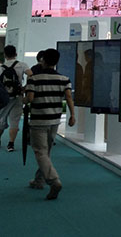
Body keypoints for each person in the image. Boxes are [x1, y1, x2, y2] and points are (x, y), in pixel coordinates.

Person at [25, 48, 75, 200]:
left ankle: (54, 181)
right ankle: (38, 180)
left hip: (39, 120)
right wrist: (72, 115)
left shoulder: (34, 79)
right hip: (54, 120)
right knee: (46, 152)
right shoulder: (64, 79)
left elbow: (30, 98)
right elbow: (68, 97)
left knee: (40, 152)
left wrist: (22, 99)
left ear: (43, 60)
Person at [1, 45, 32, 152]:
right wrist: (25, 88)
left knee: (1, 119)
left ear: (5, 55)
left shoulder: (1, 67)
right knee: (15, 121)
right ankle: (11, 144)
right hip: (17, 96)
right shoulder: (22, 65)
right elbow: (31, 75)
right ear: (16, 54)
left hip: (3, 98)